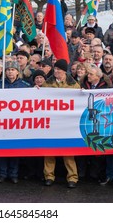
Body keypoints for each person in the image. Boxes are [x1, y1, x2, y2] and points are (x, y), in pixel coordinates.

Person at [42, 59, 79, 188]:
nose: (56, 71)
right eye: (55, 69)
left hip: (66, 123)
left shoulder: (73, 84)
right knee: (49, 151)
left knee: (68, 152)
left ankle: (72, 177)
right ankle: (49, 176)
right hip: (51, 122)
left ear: (64, 71)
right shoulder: (47, 83)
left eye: (59, 69)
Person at [0, 61, 31, 183]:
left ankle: (14, 174)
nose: (10, 72)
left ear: (17, 72)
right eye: (8, 70)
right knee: (2, 148)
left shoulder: (25, 85)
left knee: (15, 149)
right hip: (1, 122)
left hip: (17, 123)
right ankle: (2, 173)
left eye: (13, 70)